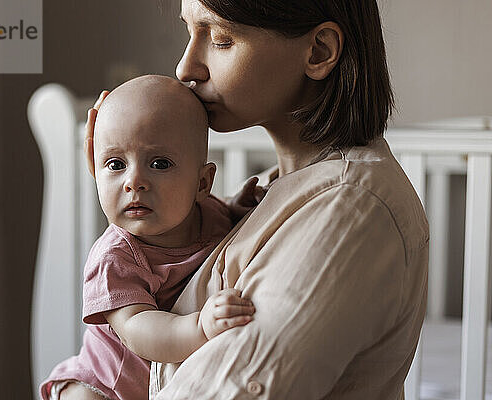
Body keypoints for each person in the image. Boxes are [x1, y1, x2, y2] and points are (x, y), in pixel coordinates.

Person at [69, 0, 429, 398]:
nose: (186, 68)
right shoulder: (271, 194)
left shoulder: (349, 207)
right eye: (190, 32)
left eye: (221, 39)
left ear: (319, 51)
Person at [40, 75, 260, 400]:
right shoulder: (115, 257)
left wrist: (245, 205)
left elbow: (229, 213)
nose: (134, 181)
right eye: (115, 164)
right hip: (106, 385)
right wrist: (200, 327)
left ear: (202, 184)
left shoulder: (213, 214)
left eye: (159, 163)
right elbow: (136, 328)